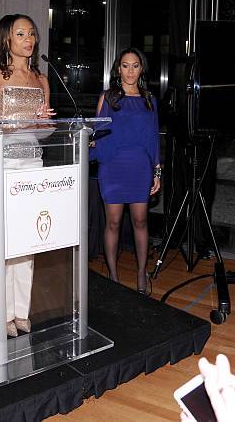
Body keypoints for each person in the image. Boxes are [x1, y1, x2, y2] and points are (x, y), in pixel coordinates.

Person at [0, 14, 55, 337]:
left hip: (32, 166)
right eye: (21, 33)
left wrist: (42, 122)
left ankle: (21, 311)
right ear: (6, 40)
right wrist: (18, 123)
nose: (29, 39)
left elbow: (46, 132)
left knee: (27, 244)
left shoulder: (42, 79)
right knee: (3, 245)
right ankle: (1, 312)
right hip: (1, 167)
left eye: (32, 33)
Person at [92, 47, 161, 293]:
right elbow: (98, 134)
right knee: (113, 222)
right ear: (118, 68)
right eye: (125, 65)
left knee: (141, 221)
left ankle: (142, 275)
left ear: (141, 69)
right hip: (113, 165)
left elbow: (153, 137)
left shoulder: (149, 100)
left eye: (135, 65)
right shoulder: (108, 97)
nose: (130, 70)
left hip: (140, 166)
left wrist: (157, 170)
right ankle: (113, 276)